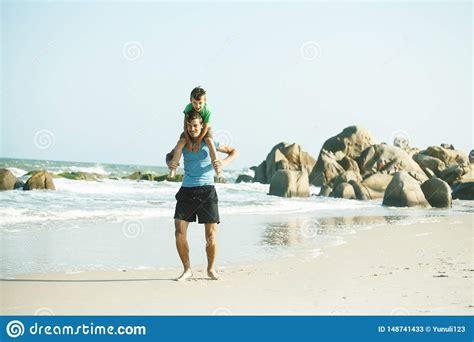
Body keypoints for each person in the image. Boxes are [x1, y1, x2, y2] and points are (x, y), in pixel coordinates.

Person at [167, 110, 237, 281]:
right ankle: (187, 269)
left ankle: (211, 269)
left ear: (201, 126)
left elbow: (233, 151)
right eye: (189, 126)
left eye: (196, 125)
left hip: (207, 191)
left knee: (211, 236)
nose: (192, 129)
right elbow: (169, 156)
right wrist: (171, 163)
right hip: (186, 190)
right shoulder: (183, 142)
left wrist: (223, 163)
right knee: (179, 232)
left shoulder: (209, 141)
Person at [169, 86, 220, 178]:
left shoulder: (207, 110)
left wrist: (198, 142)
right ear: (190, 101)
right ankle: (173, 169)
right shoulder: (188, 108)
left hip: (204, 127)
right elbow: (185, 125)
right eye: (194, 103)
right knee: (180, 143)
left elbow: (205, 127)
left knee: (209, 141)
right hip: (190, 127)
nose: (197, 106)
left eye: (200, 103)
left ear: (205, 101)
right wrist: (188, 141)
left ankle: (217, 168)